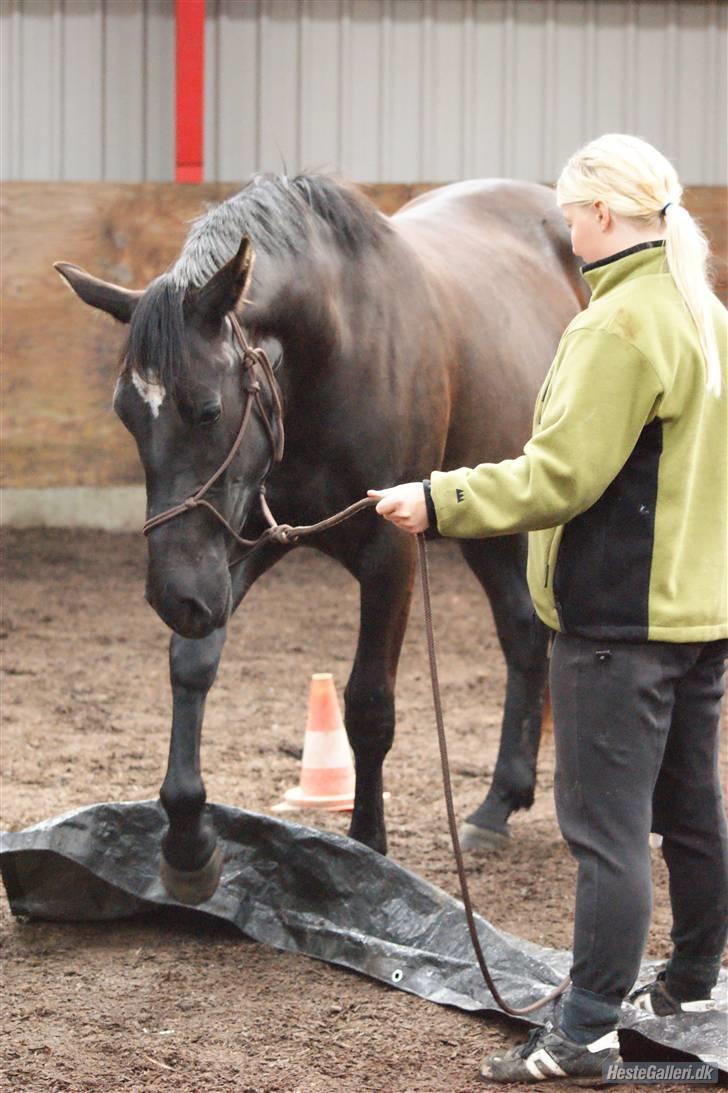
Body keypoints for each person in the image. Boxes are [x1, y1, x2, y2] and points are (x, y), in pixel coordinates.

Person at [368, 133, 728, 1084]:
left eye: (572, 213)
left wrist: (437, 500)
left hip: (619, 622)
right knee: (691, 807)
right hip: (697, 614)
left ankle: (586, 1030)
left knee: (604, 830)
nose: (566, 230)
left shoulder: (615, 327)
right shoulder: (703, 309)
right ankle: (693, 981)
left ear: (602, 215)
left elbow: (558, 477)